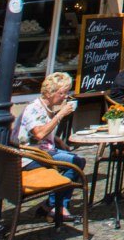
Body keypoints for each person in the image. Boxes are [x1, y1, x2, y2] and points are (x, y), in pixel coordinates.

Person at [15, 72, 83, 220]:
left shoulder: (48, 107)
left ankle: (52, 205)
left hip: (44, 150)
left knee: (76, 160)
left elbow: (41, 130)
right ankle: (56, 205)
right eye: (62, 93)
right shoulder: (34, 108)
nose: (65, 96)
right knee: (75, 163)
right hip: (30, 156)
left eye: (67, 92)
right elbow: (39, 134)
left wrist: (58, 140)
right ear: (50, 92)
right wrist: (60, 115)